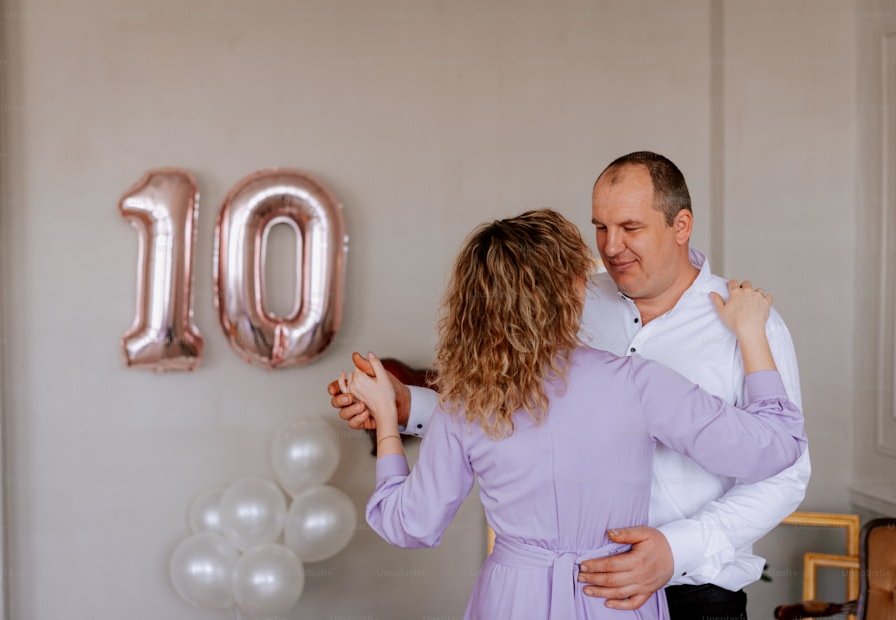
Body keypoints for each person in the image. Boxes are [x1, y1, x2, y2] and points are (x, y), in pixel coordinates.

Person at [331, 152, 810, 619]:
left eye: (631, 228)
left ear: (680, 226)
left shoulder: (751, 323)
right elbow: (514, 420)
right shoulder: (587, 311)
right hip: (602, 600)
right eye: (600, 227)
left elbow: (786, 476)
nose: (611, 247)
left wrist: (675, 549)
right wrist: (404, 404)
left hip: (691, 588)